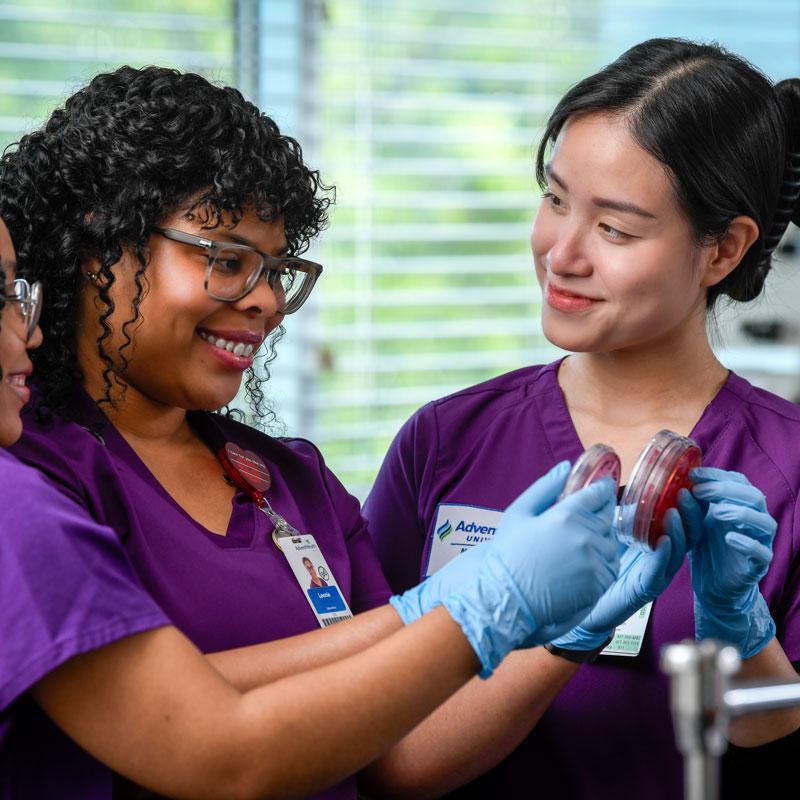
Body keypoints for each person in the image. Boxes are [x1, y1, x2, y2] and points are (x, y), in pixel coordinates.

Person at [0, 66, 690, 798]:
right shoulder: (30, 479)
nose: (267, 302)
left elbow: (398, 747)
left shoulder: (290, 482)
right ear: (98, 249)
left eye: (275, 269)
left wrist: (560, 634)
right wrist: (478, 603)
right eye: (229, 261)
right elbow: (199, 726)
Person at [364, 38, 800, 799]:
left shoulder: (786, 471)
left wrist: (737, 626)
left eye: (616, 229)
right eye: (556, 199)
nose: (560, 253)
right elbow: (361, 725)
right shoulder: (445, 440)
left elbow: (772, 741)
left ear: (724, 250)